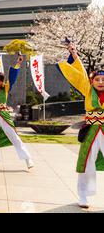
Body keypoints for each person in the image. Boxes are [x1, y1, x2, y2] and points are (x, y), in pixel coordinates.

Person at [57, 42, 104, 209]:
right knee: (86, 162)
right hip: (91, 129)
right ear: (92, 81)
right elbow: (80, 74)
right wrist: (74, 53)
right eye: (97, 79)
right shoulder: (87, 88)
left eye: (103, 80)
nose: (100, 82)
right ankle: (83, 195)